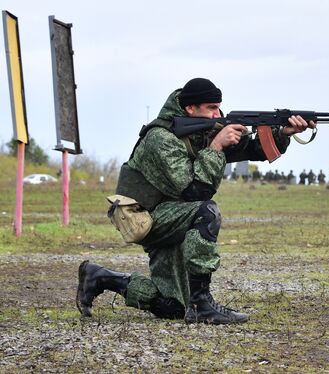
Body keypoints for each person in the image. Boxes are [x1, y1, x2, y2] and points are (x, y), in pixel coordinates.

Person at [76, 78, 315, 324]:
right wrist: (216, 146)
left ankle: (101, 277)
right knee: (207, 211)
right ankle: (202, 304)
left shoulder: (200, 132)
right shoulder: (161, 138)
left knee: (172, 307)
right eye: (211, 107)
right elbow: (194, 191)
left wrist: (283, 133)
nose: (218, 114)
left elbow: (253, 149)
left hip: (173, 217)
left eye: (219, 107)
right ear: (190, 109)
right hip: (147, 219)